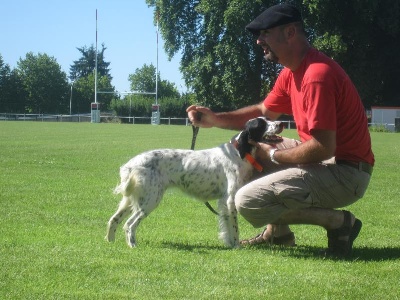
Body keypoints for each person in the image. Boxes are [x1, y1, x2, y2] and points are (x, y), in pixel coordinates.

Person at [187, 3, 374, 258]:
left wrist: (273, 156)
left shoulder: (317, 75)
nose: (258, 41)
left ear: (289, 33)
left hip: (347, 173)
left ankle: (338, 222)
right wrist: (215, 119)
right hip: (330, 163)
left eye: (265, 34)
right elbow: (264, 111)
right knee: (247, 150)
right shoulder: (292, 73)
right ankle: (279, 234)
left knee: (246, 201)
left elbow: (323, 147)